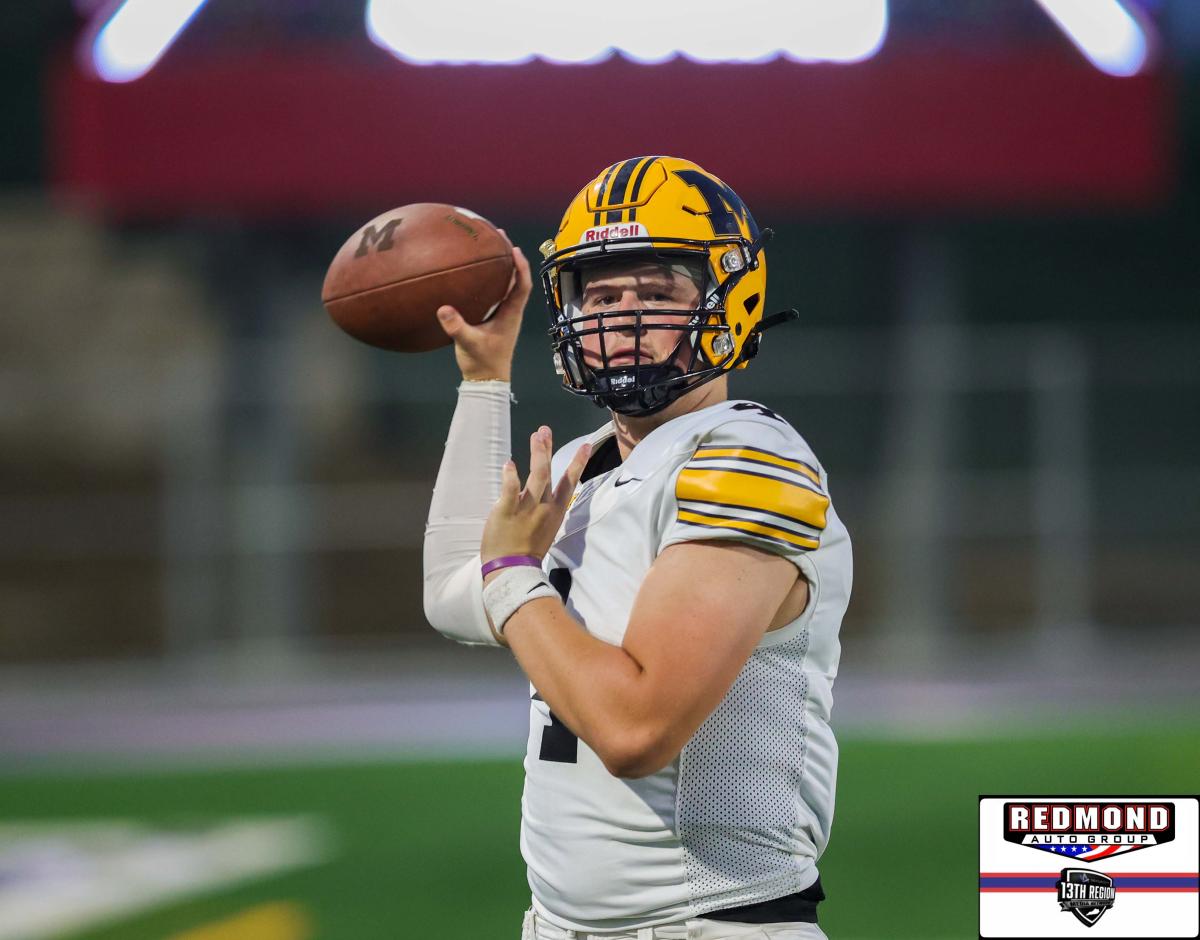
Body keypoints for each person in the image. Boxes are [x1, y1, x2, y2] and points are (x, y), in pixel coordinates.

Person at [423, 156, 852, 940]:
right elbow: (455, 595)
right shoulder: (586, 464)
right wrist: (483, 379)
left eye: (656, 294)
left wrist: (514, 573)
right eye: (601, 295)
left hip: (709, 924)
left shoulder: (746, 459)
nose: (621, 319)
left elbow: (636, 731)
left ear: (729, 298)